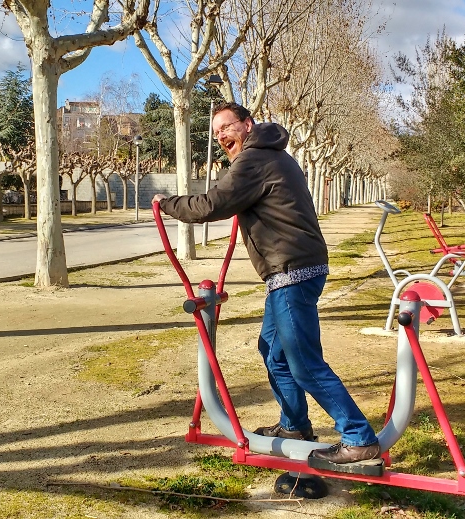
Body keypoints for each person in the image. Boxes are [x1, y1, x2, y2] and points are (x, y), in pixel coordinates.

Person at [152, 102, 380, 464]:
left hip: (292, 270)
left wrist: (167, 204)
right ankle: (295, 426)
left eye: (227, 127)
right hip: (290, 269)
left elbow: (212, 204)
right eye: (216, 132)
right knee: (274, 353)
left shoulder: (254, 159)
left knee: (303, 361)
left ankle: (359, 437)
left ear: (247, 124)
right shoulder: (273, 155)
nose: (221, 136)